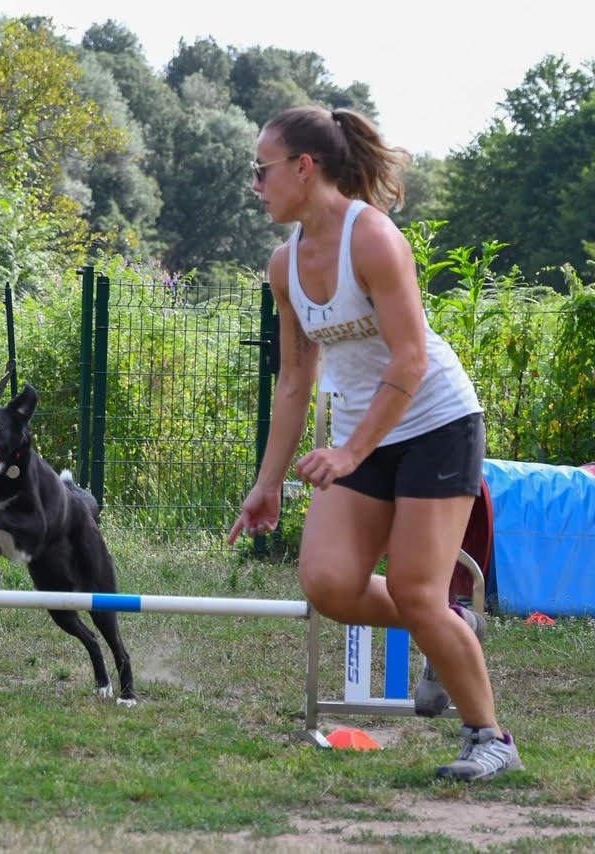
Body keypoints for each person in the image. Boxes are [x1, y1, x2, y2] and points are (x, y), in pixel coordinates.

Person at [226, 105, 521, 782]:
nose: (256, 185)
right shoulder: (284, 264)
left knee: (418, 591)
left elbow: (411, 359)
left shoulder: (375, 240)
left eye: (261, 170)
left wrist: (351, 452)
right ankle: (452, 629)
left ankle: (491, 738)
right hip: (365, 433)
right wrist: (268, 482)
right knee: (329, 582)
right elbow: (297, 378)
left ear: (305, 168)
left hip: (437, 425)